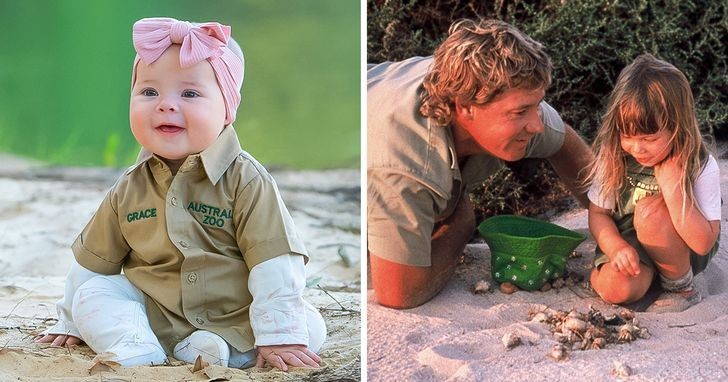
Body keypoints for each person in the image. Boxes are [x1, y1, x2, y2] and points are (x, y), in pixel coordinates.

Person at [34, 17, 326, 370]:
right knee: (92, 295)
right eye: (149, 92)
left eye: (189, 93)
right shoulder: (129, 187)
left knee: (308, 325)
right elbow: (92, 265)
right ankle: (137, 345)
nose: (165, 104)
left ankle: (219, 348)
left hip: (236, 314)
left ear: (227, 108)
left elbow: (275, 262)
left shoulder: (246, 181)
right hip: (156, 312)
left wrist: (280, 334)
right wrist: (69, 320)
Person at [367, 18, 594, 309]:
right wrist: (460, 226)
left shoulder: (507, 95)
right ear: (464, 107)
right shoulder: (404, 165)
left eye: (537, 105)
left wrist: (618, 224)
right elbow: (398, 293)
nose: (537, 125)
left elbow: (566, 145)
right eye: (521, 111)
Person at [585, 54, 720, 313]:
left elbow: (704, 242)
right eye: (627, 135)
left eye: (649, 138)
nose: (637, 148)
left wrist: (672, 190)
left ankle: (679, 286)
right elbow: (598, 214)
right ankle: (626, 277)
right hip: (631, 242)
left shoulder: (700, 164)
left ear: (677, 128)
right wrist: (616, 248)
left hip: (684, 246)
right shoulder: (614, 156)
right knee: (617, 290)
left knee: (651, 214)